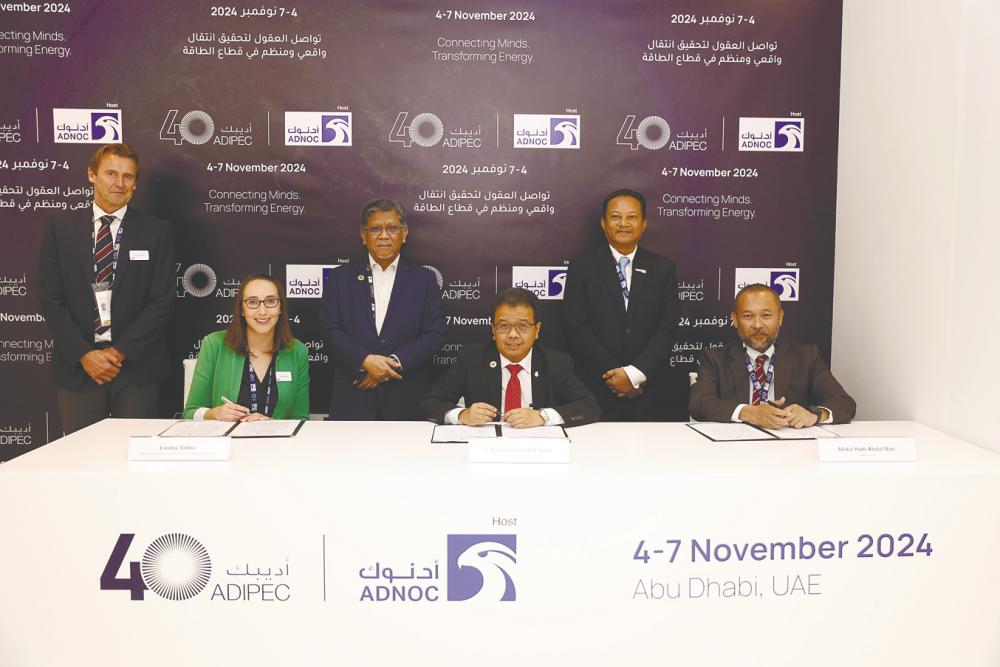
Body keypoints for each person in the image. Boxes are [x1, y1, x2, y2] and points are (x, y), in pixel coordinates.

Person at [38, 143, 175, 435]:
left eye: (128, 176)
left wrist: (119, 352)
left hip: (137, 369)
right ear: (91, 175)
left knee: (135, 460)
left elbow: (161, 301)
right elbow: (52, 299)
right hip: (79, 367)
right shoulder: (59, 228)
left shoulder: (157, 232)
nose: (119, 183)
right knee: (83, 462)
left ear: (135, 184)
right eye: (111, 173)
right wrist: (86, 355)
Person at [319, 198, 446, 420]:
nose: (384, 235)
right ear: (363, 235)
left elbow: (434, 335)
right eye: (376, 229)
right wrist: (365, 360)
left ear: (404, 233)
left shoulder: (424, 280)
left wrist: (391, 365)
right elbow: (330, 331)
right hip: (354, 397)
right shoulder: (340, 278)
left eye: (392, 228)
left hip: (406, 401)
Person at [563, 188, 680, 421]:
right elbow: (577, 327)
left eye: (632, 217)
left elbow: (667, 329)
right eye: (616, 217)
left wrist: (634, 375)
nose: (623, 223)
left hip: (649, 391)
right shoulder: (582, 267)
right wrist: (616, 377)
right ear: (604, 223)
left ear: (644, 223)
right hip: (596, 390)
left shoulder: (663, 269)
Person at [420, 288, 599, 427]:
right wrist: (462, 415)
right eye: (503, 326)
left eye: (522, 326)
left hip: (539, 451)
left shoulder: (556, 363)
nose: (513, 335)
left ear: (537, 330)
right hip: (486, 451)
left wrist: (542, 416)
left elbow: (589, 407)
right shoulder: (471, 358)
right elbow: (430, 405)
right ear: (493, 330)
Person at [689, 283, 856, 427]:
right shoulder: (715, 358)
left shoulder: (806, 356)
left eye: (766, 315)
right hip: (735, 451)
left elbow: (844, 403)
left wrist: (813, 416)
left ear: (780, 317)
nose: (757, 325)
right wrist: (750, 413)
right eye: (748, 316)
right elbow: (699, 404)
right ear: (735, 319)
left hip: (791, 451)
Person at [183, 274, 309, 421]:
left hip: (279, 442)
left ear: (280, 307)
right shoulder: (214, 345)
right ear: (242, 309)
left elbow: (301, 419)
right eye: (252, 302)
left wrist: (272, 424)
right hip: (228, 442)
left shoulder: (297, 351)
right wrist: (215, 414)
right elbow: (190, 413)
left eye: (270, 301)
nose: (262, 311)